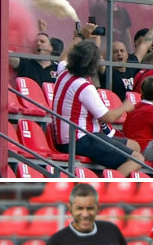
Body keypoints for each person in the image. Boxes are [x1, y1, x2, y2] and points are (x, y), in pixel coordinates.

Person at [52, 40, 143, 175]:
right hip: (80, 139)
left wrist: (81, 36)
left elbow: (62, 58)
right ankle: (108, 188)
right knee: (137, 159)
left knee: (134, 146)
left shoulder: (64, 72)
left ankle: (107, 175)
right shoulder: (84, 87)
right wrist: (125, 106)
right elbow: (108, 117)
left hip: (71, 138)